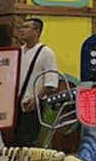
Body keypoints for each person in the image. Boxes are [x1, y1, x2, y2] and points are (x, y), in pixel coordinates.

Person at [10, 18, 59, 147]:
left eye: (26, 27)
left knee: (29, 142)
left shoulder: (46, 53)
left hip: (33, 105)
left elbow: (51, 81)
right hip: (16, 104)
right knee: (15, 142)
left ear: (37, 31)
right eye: (21, 27)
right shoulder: (18, 51)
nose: (22, 30)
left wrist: (37, 98)